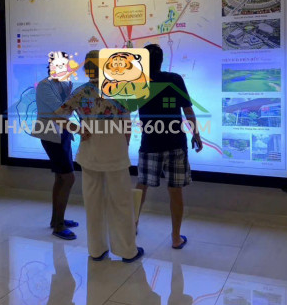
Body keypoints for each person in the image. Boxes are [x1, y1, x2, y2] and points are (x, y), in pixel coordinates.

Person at [55, 50, 143, 262]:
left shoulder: (80, 92)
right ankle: (127, 250)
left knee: (93, 203)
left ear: (87, 69)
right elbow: (126, 125)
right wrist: (125, 144)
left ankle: (96, 250)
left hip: (90, 153)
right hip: (115, 152)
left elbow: (57, 117)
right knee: (121, 203)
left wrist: (78, 130)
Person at [136, 43, 203, 249]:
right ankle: (175, 238)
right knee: (175, 190)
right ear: (161, 60)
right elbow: (188, 111)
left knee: (141, 188)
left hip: (149, 142)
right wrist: (196, 134)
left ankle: (131, 226)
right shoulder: (175, 79)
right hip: (175, 143)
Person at [35, 51, 79, 240]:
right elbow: (61, 112)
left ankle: (56, 220)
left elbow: (69, 111)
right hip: (51, 134)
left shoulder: (66, 83)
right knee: (68, 178)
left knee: (61, 178)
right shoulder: (45, 86)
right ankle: (59, 226)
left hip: (63, 133)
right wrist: (79, 128)